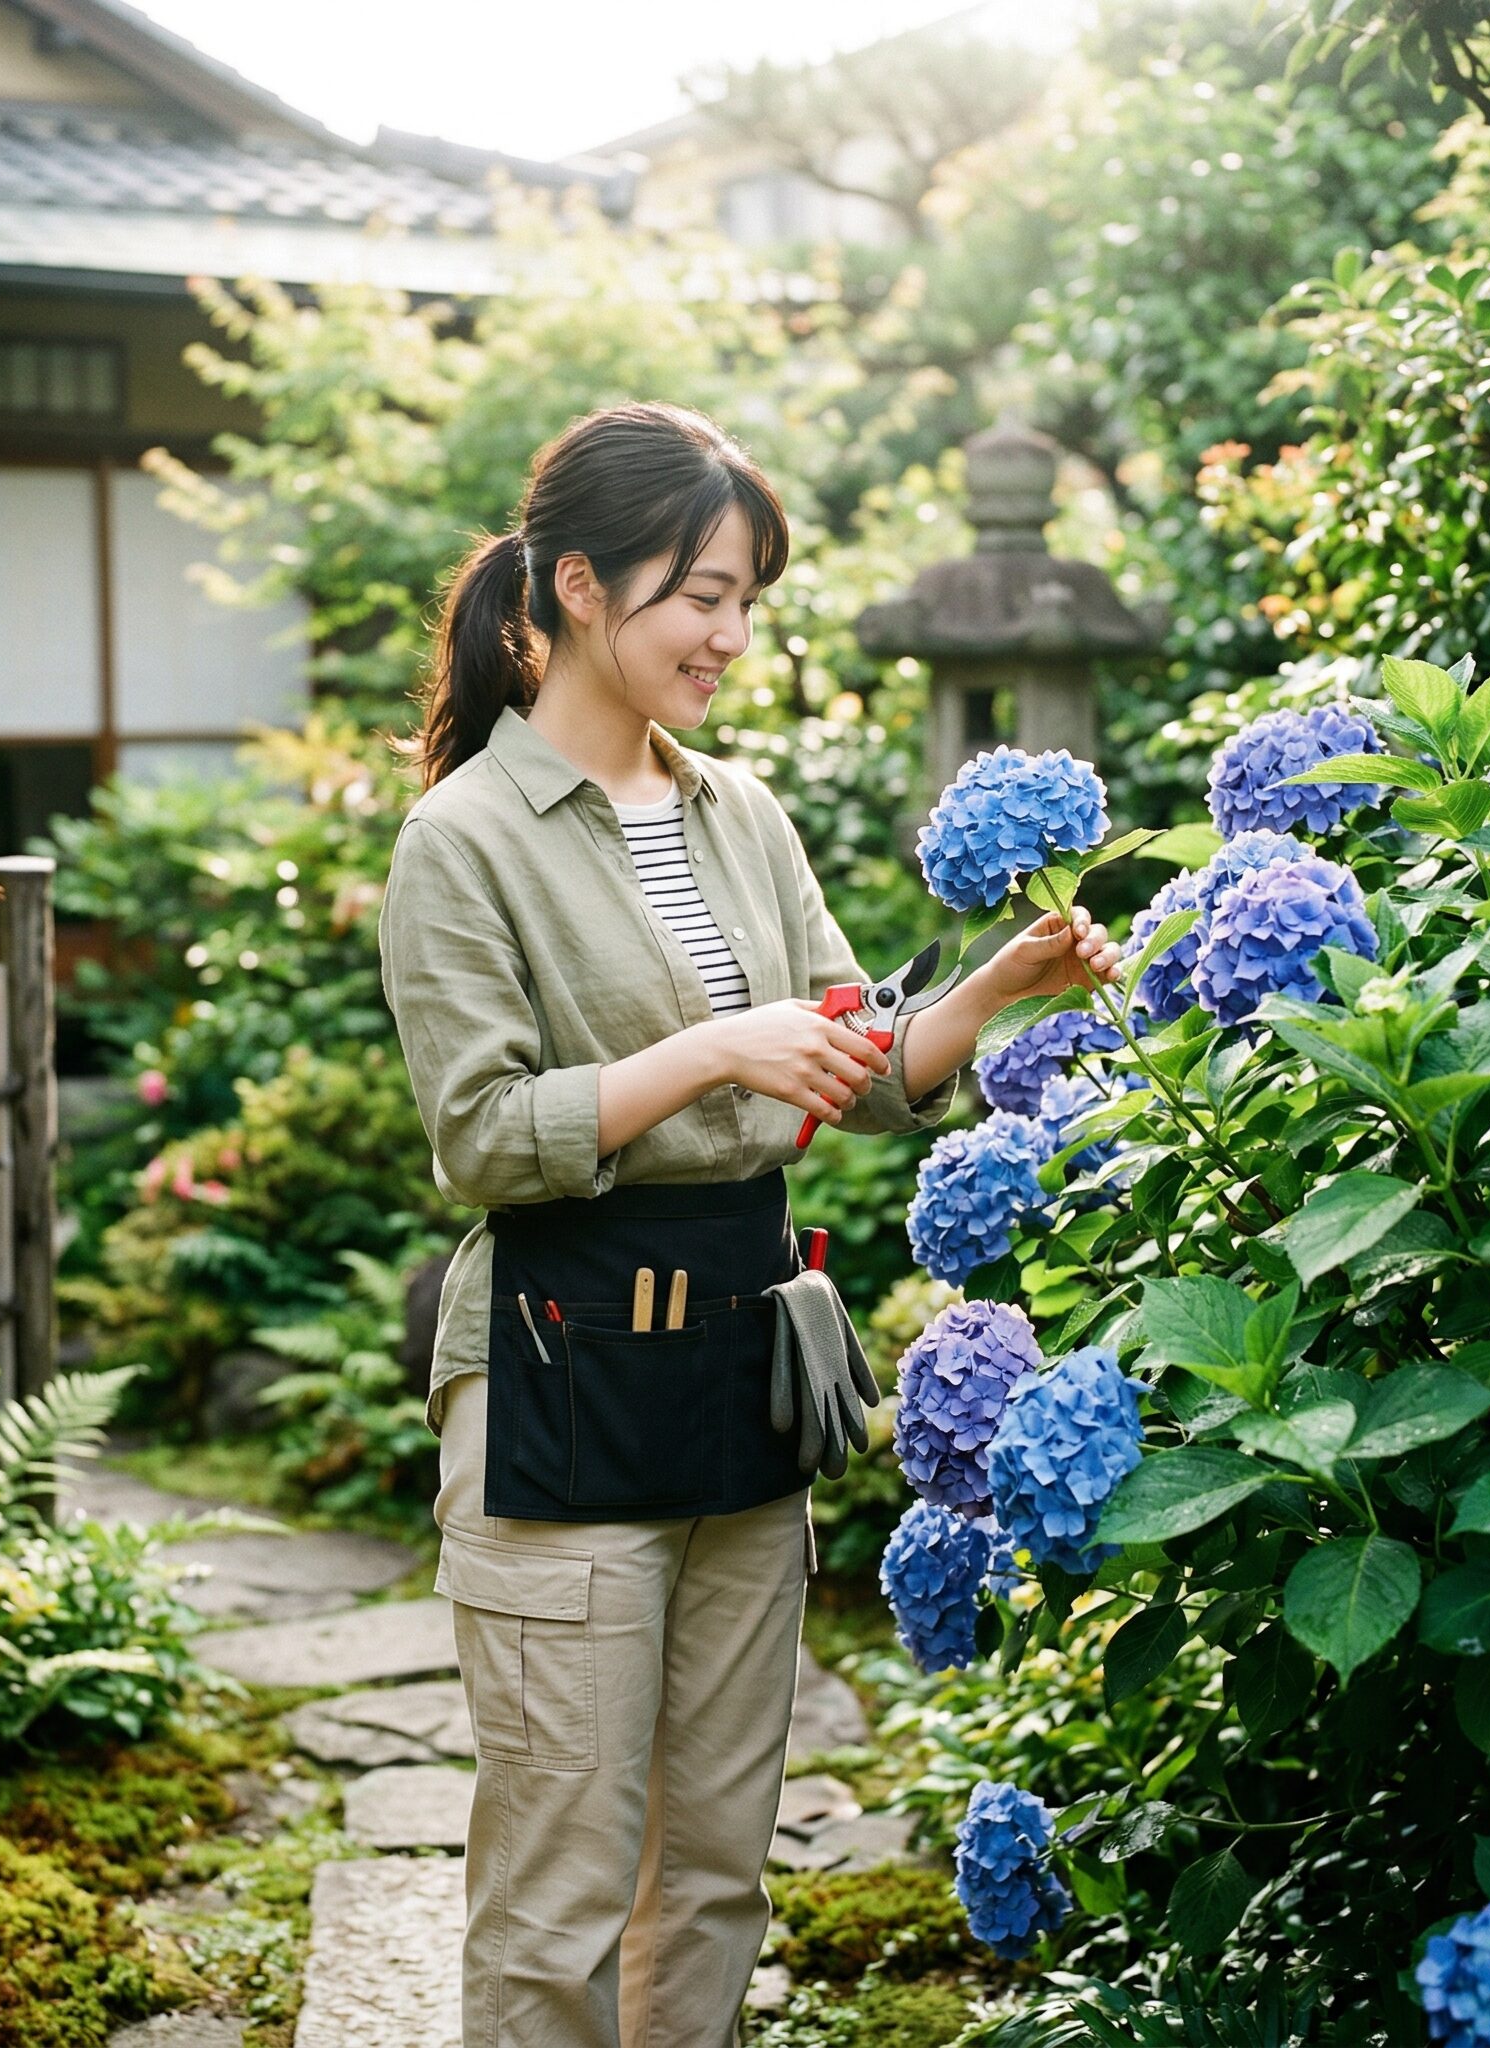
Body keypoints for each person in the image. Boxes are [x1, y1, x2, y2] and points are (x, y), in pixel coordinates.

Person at [377, 400, 1123, 2048]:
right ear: (579, 586)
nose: (726, 634)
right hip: (557, 1376)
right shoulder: (464, 841)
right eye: (698, 594)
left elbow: (855, 1071)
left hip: (744, 1359)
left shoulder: (741, 813)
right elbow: (482, 1138)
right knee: (561, 1882)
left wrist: (995, 983)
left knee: (714, 1868)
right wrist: (712, 1047)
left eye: (743, 598)